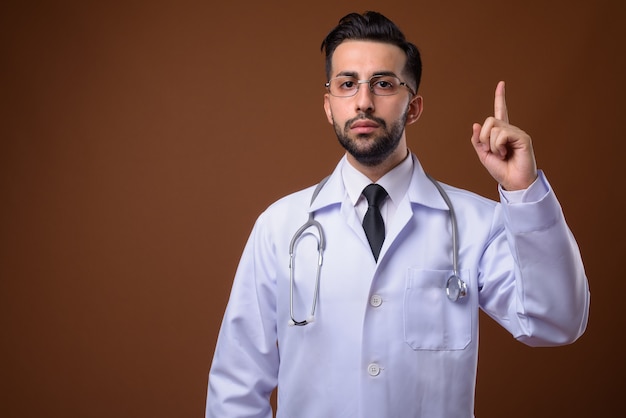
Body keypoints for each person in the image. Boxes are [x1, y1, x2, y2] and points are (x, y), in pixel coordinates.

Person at [205, 11, 590, 418]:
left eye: (384, 84)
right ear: (329, 106)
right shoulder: (280, 227)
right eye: (347, 84)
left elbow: (558, 322)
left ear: (414, 106)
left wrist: (523, 191)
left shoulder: (477, 224)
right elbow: (237, 388)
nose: (364, 101)